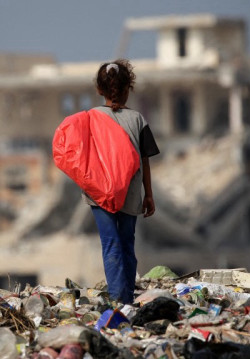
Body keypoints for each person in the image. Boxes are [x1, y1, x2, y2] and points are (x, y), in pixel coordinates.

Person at [86, 59, 160, 304]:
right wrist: (148, 194)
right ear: (129, 88)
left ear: (99, 90)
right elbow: (145, 160)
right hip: (130, 192)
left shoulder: (91, 117)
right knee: (127, 243)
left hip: (99, 192)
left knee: (110, 244)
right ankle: (126, 298)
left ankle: (119, 301)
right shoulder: (138, 120)